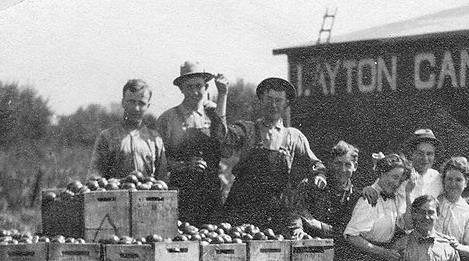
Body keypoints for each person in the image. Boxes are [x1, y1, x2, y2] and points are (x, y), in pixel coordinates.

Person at [211, 75, 326, 231]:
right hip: (241, 211)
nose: (273, 105)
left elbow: (316, 165)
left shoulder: (294, 137)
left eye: (278, 100)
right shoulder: (247, 130)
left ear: (286, 104)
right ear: (261, 101)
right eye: (268, 99)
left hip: (276, 214)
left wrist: (320, 176)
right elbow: (221, 136)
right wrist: (223, 94)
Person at [156, 62, 224, 225]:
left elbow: (226, 144)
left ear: (206, 87)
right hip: (181, 195)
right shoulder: (168, 119)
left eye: (199, 86)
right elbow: (157, 163)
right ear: (181, 89)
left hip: (211, 194)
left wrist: (222, 97)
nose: (194, 92)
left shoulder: (214, 115)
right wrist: (185, 165)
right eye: (189, 87)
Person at [296, 140, 361, 261]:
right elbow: (298, 213)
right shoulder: (312, 186)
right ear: (330, 164)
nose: (342, 169)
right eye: (338, 163)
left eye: (347, 165)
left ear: (354, 167)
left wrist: (317, 225)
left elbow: (348, 233)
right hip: (309, 257)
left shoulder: (357, 197)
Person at [89, 78, 167, 180]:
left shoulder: (155, 139)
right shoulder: (107, 136)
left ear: (148, 106)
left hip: (148, 194)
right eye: (131, 102)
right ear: (123, 103)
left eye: (141, 103)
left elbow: (162, 178)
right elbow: (95, 175)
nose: (136, 108)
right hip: (115, 194)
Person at [403, 128, 444, 205]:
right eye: (420, 153)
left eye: (429, 154)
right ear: (412, 154)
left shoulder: (437, 177)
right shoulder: (400, 175)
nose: (425, 159)